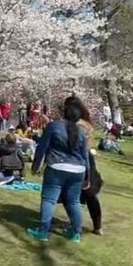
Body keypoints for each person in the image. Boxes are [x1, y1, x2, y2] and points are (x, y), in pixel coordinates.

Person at [28, 96, 95, 243]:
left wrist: (35, 165)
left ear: (64, 112)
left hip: (57, 166)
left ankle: (43, 231)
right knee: (74, 202)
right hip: (78, 170)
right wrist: (87, 176)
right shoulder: (81, 132)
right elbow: (85, 155)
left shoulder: (53, 126)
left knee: (49, 199)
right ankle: (75, 233)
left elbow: (42, 147)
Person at [75, 100, 105, 236]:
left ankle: (92, 226)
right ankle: (96, 226)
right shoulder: (84, 124)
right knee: (89, 194)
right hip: (86, 158)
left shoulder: (80, 125)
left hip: (81, 158)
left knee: (88, 192)